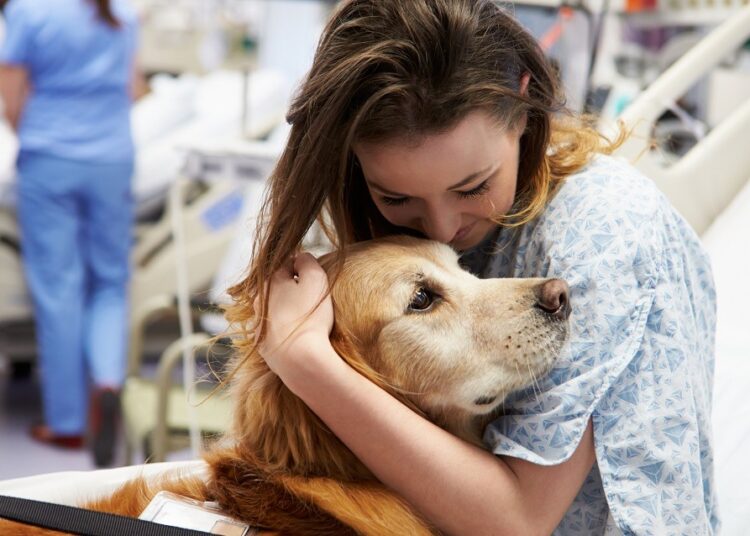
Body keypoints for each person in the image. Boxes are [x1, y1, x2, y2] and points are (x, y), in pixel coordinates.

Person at [230, 1, 718, 534]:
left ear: (526, 110)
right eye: (396, 197)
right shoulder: (362, 229)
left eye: (473, 188)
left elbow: (518, 522)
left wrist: (304, 364)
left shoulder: (604, 231)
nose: (438, 228)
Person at [0, 0, 139, 467]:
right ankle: (107, 383)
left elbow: (12, 95)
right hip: (113, 161)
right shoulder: (122, 11)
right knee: (109, 283)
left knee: (59, 288)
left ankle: (67, 424)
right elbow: (133, 88)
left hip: (50, 159)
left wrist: (38, 136)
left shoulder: (29, 11)